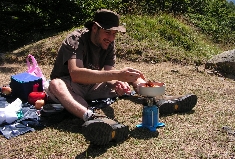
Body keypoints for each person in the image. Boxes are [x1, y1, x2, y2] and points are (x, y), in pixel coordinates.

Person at [48, 9, 197, 145]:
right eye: (108, 32)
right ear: (95, 28)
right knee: (55, 84)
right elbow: (76, 74)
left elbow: (109, 72)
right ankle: (93, 118)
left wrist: (117, 83)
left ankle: (154, 98)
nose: (111, 38)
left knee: (132, 74)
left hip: (93, 85)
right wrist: (117, 75)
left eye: (114, 33)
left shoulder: (109, 43)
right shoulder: (76, 39)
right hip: (70, 88)